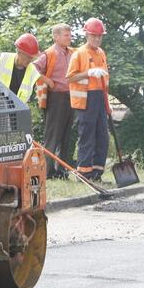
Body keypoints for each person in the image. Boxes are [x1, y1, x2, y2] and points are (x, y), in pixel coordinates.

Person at [66, 17, 109, 181]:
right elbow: (69, 78)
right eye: (94, 35)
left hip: (100, 98)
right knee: (87, 136)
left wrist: (107, 104)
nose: (97, 39)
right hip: (86, 100)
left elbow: (105, 80)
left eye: (99, 36)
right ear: (87, 35)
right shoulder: (79, 53)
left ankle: (97, 172)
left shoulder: (102, 53)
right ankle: (84, 172)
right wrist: (88, 73)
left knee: (102, 136)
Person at [33, 24, 75, 179]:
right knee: (53, 136)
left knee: (65, 136)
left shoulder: (72, 53)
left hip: (70, 96)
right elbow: (32, 68)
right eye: (66, 35)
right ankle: (46, 171)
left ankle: (61, 171)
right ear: (56, 37)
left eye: (70, 35)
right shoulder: (49, 53)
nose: (70, 38)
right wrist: (47, 81)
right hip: (56, 97)